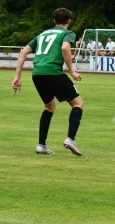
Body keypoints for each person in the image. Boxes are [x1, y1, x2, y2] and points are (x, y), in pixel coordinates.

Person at [11, 8, 84, 155]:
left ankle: (41, 145)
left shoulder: (42, 34)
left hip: (37, 74)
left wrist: (17, 76)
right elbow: (65, 48)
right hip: (53, 72)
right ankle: (70, 139)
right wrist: (72, 71)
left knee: (49, 107)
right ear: (69, 21)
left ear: (54, 20)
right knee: (78, 104)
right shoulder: (67, 33)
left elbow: (23, 52)